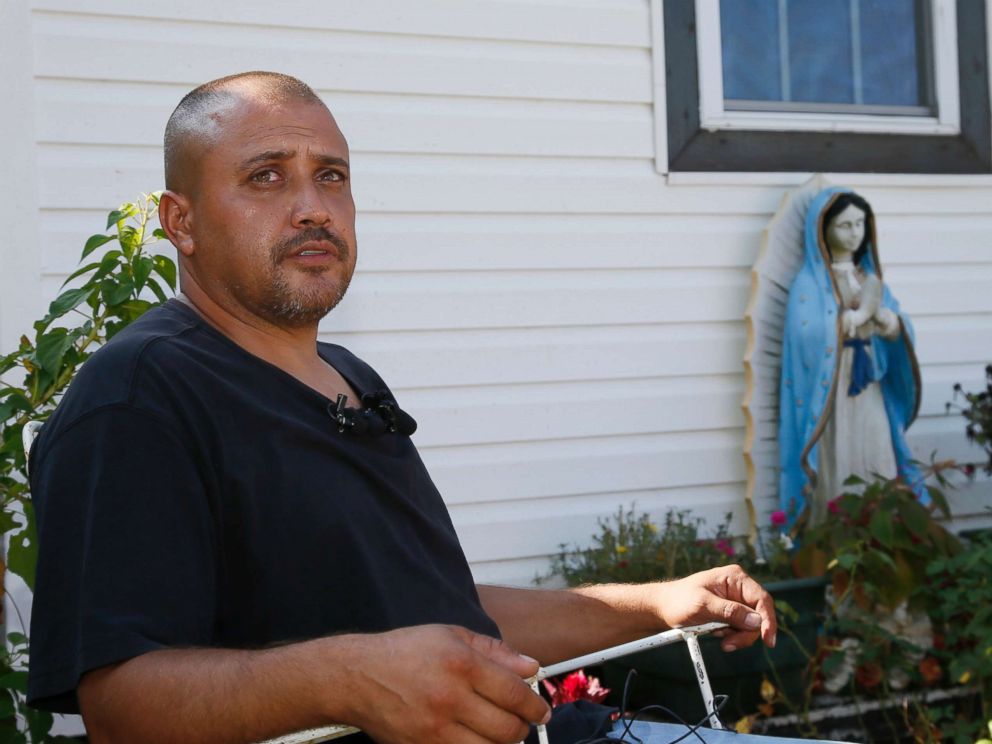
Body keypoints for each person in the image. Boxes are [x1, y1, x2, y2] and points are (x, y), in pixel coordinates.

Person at [27, 71, 776, 744]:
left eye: (331, 177)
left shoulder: (346, 377)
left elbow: (439, 615)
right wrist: (347, 678)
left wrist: (655, 604)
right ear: (180, 222)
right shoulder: (138, 398)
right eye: (265, 178)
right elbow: (121, 707)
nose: (312, 209)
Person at [778, 187, 927, 530]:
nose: (854, 233)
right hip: (833, 389)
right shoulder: (810, 284)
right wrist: (843, 324)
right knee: (838, 457)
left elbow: (901, 325)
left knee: (877, 448)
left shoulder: (869, 278)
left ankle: (881, 529)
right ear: (823, 228)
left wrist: (888, 323)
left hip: (869, 384)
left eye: (860, 224)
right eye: (844, 225)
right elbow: (804, 335)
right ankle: (836, 536)